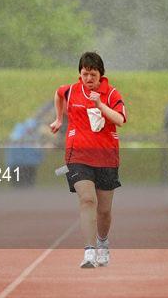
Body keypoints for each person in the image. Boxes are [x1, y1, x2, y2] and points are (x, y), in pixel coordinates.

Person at [50, 52, 127, 268]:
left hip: (106, 158)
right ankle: (89, 250)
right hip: (78, 156)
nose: (88, 79)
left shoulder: (111, 93)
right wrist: (58, 118)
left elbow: (120, 119)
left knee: (103, 210)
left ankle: (102, 243)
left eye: (92, 75)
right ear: (79, 74)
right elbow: (58, 94)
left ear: (100, 74)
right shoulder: (71, 90)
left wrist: (101, 105)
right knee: (87, 200)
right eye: (84, 74)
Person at [6, 118, 44, 187]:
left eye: (32, 129)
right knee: (17, 184)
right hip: (17, 164)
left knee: (29, 183)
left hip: (29, 164)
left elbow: (38, 151)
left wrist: (39, 158)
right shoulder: (18, 133)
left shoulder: (34, 137)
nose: (31, 131)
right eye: (30, 129)